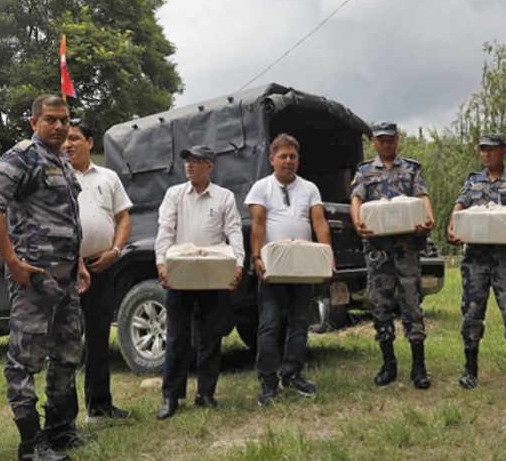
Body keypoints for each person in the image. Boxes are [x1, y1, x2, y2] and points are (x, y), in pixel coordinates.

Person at [0, 94, 91, 461]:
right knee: (25, 360)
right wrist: (12, 261)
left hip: (66, 278)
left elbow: (69, 219)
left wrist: (80, 262)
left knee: (68, 353)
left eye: (64, 120)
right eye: (50, 120)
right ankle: (31, 443)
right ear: (33, 122)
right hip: (34, 278)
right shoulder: (22, 157)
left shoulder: (63, 161)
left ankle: (60, 429)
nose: (59, 126)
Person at [154, 145, 244, 420]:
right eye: (187, 161)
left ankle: (205, 393)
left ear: (210, 166)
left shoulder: (224, 197)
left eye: (196, 161)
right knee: (177, 336)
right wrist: (161, 263)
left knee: (210, 336)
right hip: (181, 272)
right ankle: (171, 396)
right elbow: (165, 230)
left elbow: (234, 231)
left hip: (212, 273)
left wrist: (238, 263)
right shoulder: (174, 194)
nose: (189, 165)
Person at [245, 134, 332, 406]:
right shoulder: (261, 188)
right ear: (272, 159)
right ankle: (268, 381)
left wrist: (327, 254)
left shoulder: (309, 188)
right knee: (269, 324)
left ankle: (293, 374)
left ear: (298, 160)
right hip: (273, 267)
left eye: (292, 156)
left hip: (303, 266)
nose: (288, 161)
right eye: (282, 156)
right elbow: (257, 225)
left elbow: (319, 223)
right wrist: (256, 257)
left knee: (301, 322)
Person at [350, 121, 436, 390]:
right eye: (381, 139)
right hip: (378, 250)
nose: (386, 143)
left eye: (390, 139)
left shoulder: (411, 168)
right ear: (373, 142)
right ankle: (388, 364)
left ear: (397, 139)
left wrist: (428, 217)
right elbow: (356, 199)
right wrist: (357, 222)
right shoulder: (365, 171)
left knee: (412, 304)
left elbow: (422, 196)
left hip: (406, 247)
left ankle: (419, 368)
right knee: (380, 304)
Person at [446, 134, 506, 389]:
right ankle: (470, 369)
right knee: (472, 312)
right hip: (475, 259)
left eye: (491, 149)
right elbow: (459, 205)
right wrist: (452, 227)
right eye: (483, 149)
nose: (486, 154)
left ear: (503, 150)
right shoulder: (473, 180)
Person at [63, 121, 132, 422]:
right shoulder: (57, 177)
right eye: (64, 140)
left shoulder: (108, 177)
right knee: (65, 341)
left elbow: (123, 217)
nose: (67, 144)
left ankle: (99, 405)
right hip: (66, 270)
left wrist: (115, 251)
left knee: (99, 336)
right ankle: (64, 414)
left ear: (90, 143)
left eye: (74, 138)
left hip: (102, 266)